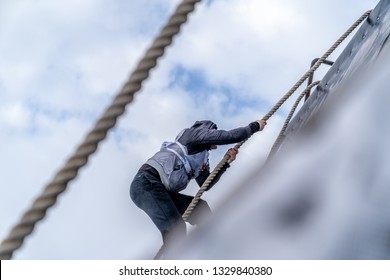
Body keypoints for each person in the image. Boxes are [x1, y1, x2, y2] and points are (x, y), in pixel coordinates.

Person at [129, 119, 267, 248]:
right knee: (175, 228)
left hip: (162, 191)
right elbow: (229, 136)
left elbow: (206, 183)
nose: (215, 143)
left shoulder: (200, 158)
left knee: (200, 208)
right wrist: (254, 126)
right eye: (212, 133)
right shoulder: (191, 135)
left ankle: (213, 249)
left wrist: (226, 163)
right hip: (147, 183)